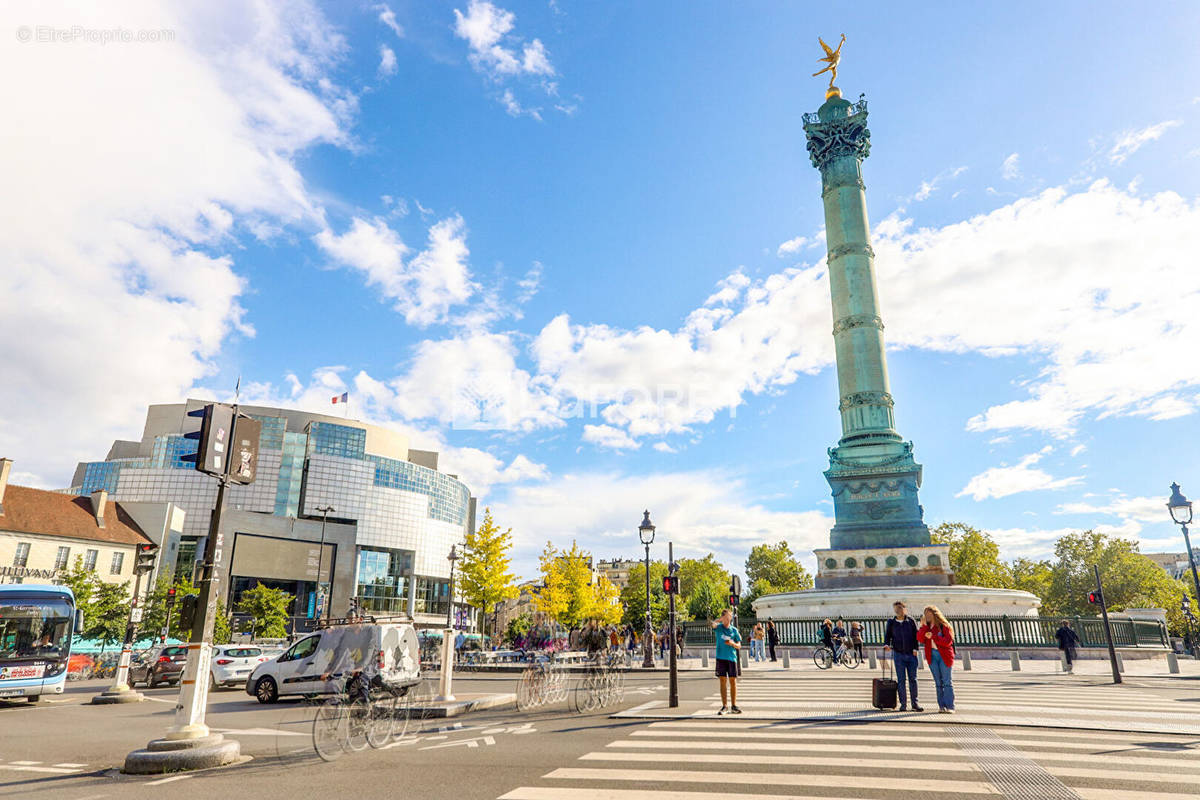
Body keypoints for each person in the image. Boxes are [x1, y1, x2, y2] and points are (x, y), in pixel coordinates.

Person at [884, 601, 923, 712]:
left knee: (913, 680)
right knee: (901, 680)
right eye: (896, 608)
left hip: (911, 654)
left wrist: (916, 649)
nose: (898, 610)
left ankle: (915, 703)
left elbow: (916, 635)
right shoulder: (891, 622)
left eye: (900, 608)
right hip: (898, 654)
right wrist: (886, 644)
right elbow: (888, 635)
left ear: (904, 609)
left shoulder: (910, 621)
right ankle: (903, 704)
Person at [918, 605, 955, 713]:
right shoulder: (927, 627)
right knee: (938, 682)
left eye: (929, 614)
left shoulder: (944, 626)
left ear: (935, 614)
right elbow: (920, 638)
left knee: (947, 681)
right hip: (932, 655)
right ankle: (941, 706)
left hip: (944, 655)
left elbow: (948, 641)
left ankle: (950, 706)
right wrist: (923, 626)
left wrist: (933, 637)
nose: (927, 616)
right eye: (925, 614)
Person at [711, 608, 742, 714]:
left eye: (729, 617)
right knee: (722, 681)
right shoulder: (718, 628)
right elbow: (712, 624)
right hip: (720, 657)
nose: (728, 619)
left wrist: (733, 644)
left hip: (732, 658)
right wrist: (719, 620)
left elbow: (739, 645)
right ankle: (724, 706)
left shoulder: (734, 630)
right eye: (726, 617)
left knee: (733, 681)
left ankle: (734, 705)